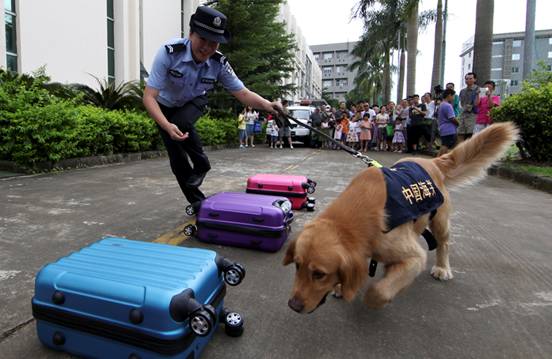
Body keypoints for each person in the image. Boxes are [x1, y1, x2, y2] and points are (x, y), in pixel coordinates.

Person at [143, 6, 282, 213]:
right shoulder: (169, 53)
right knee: (177, 160)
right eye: (203, 39)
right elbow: (148, 97)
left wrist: (268, 105)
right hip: (164, 106)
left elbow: (243, 93)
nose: (207, 47)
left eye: (214, 42)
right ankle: (198, 202)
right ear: (190, 34)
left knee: (182, 122)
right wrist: (165, 125)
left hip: (195, 101)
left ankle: (202, 165)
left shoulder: (219, 63)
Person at [458, 72, 480, 142]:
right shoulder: (462, 91)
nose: (468, 80)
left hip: (472, 115)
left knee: (470, 134)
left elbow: (477, 103)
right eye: (466, 79)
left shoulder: (478, 89)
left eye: (470, 79)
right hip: (463, 114)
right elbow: (461, 103)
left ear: (475, 79)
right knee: (460, 133)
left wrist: (477, 95)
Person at [438, 88, 459, 156]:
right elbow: (452, 118)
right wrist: (458, 123)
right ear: (449, 95)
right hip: (449, 129)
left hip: (443, 128)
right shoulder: (448, 106)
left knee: (444, 145)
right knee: (446, 146)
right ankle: (439, 161)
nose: (453, 98)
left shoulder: (441, 104)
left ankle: (437, 160)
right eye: (453, 96)